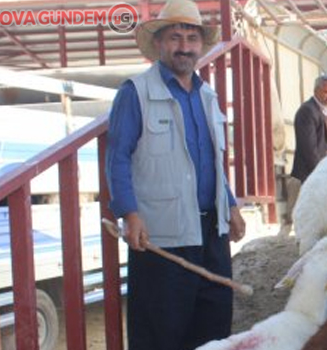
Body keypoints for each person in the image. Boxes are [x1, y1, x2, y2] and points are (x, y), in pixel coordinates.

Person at [105, 0, 246, 348]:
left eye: (191, 38)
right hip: (162, 235)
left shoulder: (208, 96)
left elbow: (211, 161)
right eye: (175, 37)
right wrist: (129, 213)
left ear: (201, 45)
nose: (184, 46)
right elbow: (118, 157)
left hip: (211, 233)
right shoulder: (135, 93)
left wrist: (231, 205)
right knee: (161, 333)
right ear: (159, 43)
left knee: (213, 329)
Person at [281, 75, 327, 235]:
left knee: (306, 214)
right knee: (293, 216)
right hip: (305, 174)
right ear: (316, 91)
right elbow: (308, 148)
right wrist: (321, 173)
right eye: (326, 92)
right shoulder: (308, 110)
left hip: (315, 173)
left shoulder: (322, 110)